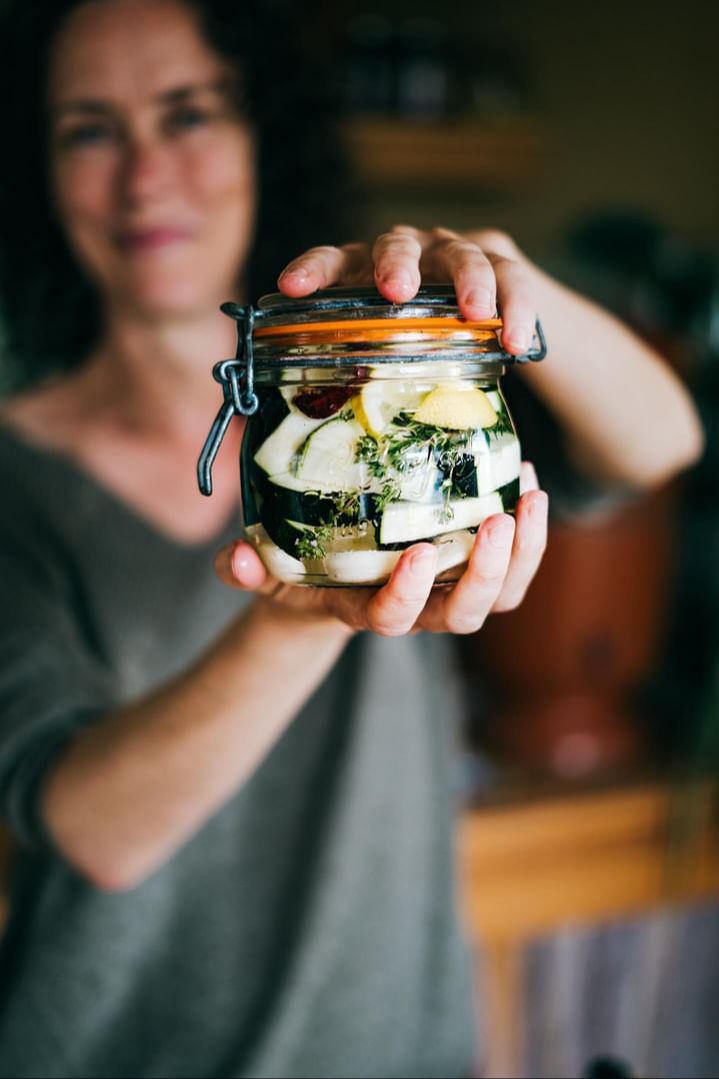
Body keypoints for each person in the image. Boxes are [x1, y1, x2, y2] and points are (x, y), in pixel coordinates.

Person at [0, 1, 703, 1077]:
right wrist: (301, 617)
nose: (145, 175)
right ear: (37, 170)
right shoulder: (15, 481)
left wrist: (513, 288)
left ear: (260, 133)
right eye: (89, 128)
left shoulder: (407, 396)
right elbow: (88, 826)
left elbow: (659, 438)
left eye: (187, 113)